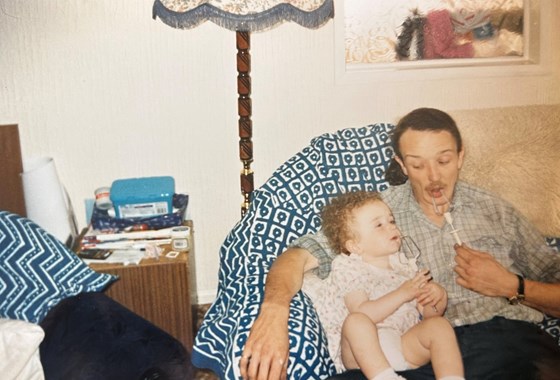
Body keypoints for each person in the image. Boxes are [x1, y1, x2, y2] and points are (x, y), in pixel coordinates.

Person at [239, 108, 560, 380]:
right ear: (402, 165)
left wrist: (512, 285)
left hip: (506, 341)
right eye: (418, 165)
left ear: (461, 157)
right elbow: (297, 257)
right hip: (417, 350)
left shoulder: (495, 210)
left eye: (444, 161)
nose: (433, 177)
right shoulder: (380, 216)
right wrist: (274, 311)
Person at [308, 190, 464, 380]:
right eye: (379, 225)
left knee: (439, 326)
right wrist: (403, 293)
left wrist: (437, 298)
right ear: (355, 246)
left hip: (404, 344)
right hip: (363, 354)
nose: (392, 228)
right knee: (356, 322)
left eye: (391, 221)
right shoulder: (349, 266)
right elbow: (363, 312)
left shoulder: (404, 265)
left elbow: (428, 314)